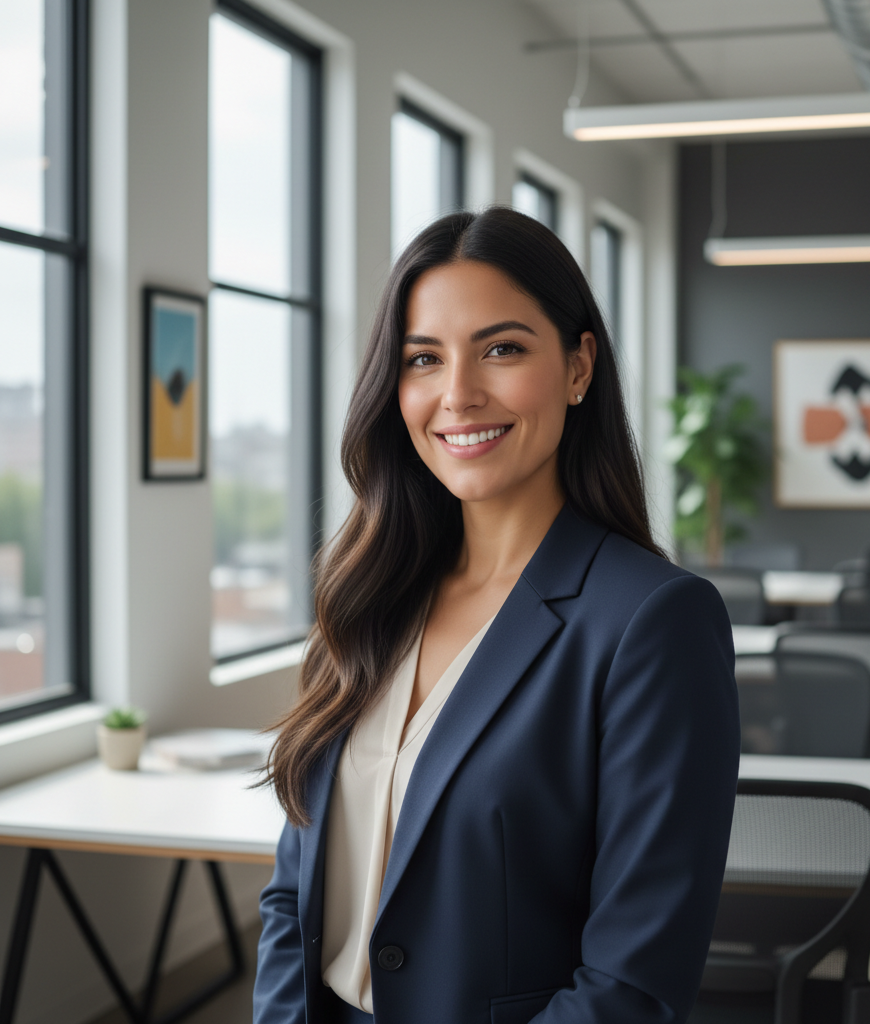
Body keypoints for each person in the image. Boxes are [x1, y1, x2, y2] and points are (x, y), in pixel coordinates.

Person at [253, 207, 740, 1024]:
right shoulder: (370, 593)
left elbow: (632, 983)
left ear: (579, 366)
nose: (459, 395)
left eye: (502, 349)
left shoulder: (654, 623)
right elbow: (293, 888)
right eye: (423, 359)